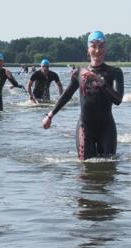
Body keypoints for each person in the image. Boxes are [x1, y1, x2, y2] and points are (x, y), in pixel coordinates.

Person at [42, 31, 124, 160]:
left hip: (107, 128)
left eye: (101, 46)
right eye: (94, 46)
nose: (97, 50)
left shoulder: (114, 72)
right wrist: (50, 115)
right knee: (86, 171)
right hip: (85, 127)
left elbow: (118, 99)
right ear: (88, 49)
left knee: (108, 171)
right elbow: (67, 95)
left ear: (106, 48)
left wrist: (99, 80)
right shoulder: (79, 73)